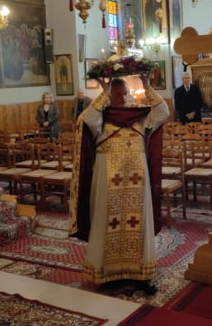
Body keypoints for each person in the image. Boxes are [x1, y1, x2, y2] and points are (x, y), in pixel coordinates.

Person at [69, 75, 168, 294]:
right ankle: (107, 274)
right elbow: (87, 119)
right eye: (117, 94)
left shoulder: (140, 117)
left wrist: (148, 87)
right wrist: (103, 92)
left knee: (139, 224)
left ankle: (141, 274)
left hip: (137, 182)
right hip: (107, 182)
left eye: (125, 94)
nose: (123, 98)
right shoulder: (101, 118)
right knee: (106, 221)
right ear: (109, 97)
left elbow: (163, 112)